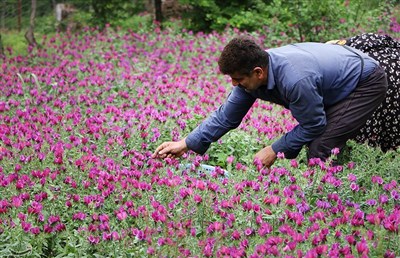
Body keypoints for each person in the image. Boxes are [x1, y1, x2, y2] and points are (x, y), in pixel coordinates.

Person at [152, 35, 388, 169]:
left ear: (258, 72)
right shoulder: (253, 77)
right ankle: (336, 171)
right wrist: (186, 143)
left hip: (364, 81)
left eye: (238, 79)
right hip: (331, 76)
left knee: (320, 145)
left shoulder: (295, 80)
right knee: (327, 135)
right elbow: (226, 117)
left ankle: (327, 204)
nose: (234, 84)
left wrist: (275, 150)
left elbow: (314, 124)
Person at [327, 33, 399, 152]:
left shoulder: (350, 57)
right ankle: (389, 153)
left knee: (368, 119)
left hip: (373, 80)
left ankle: (365, 154)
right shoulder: (375, 44)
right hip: (391, 76)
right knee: (391, 121)